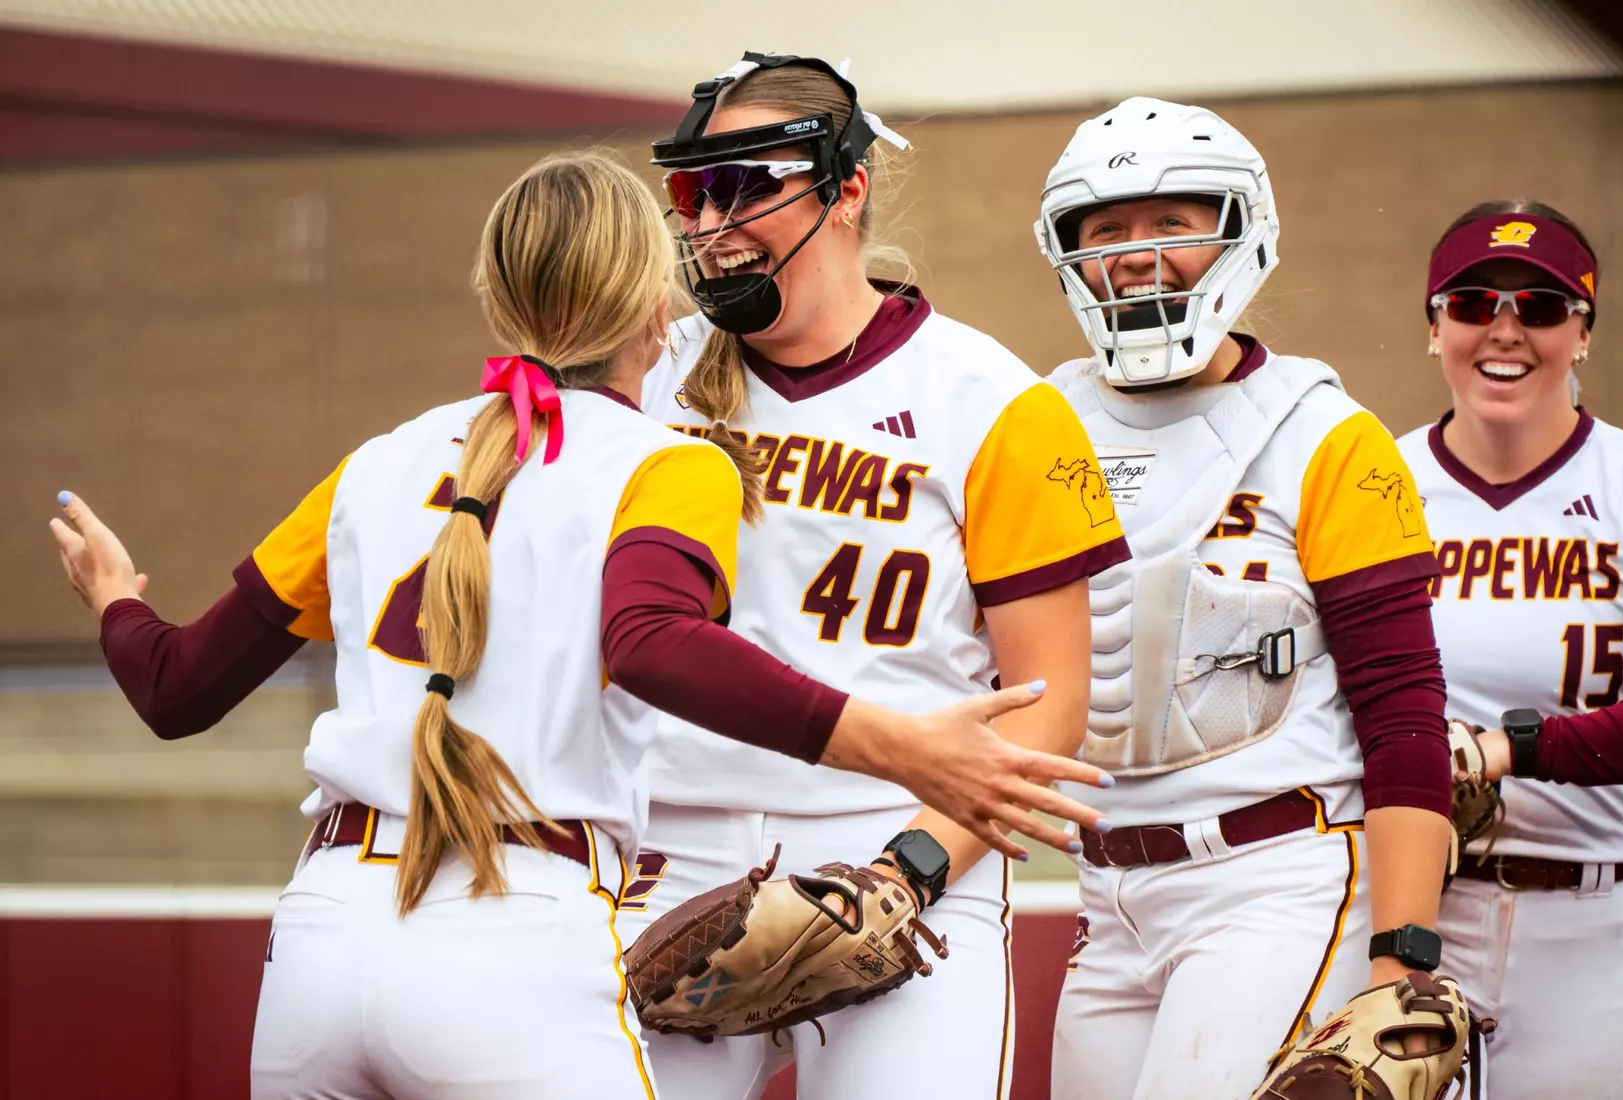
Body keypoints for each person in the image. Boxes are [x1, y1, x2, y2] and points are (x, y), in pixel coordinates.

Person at [47, 151, 1111, 1100]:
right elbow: (649, 637)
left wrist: (114, 597)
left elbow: (176, 685)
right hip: (519, 934)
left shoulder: (380, 460)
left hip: (320, 941)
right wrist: (905, 742)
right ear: (659, 301)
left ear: (490, 294)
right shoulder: (665, 459)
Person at [623, 53, 1128, 1100]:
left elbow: (1050, 701)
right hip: (662, 848)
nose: (717, 217)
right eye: (696, 189)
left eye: (752, 183)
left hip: (895, 857)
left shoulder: (994, 398)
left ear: (846, 186)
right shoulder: (645, 372)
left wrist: (908, 872)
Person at [1037, 98, 1455, 1099]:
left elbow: (1402, 705)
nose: (1138, 255)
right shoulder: (1036, 423)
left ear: (1239, 230)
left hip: (1276, 875)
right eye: (1107, 231)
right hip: (1110, 892)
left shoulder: (1323, 433)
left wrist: (1402, 957)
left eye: (1172, 222)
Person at [1396, 199, 1623, 1099]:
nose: (1505, 331)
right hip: (1413, 908)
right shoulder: (1376, 486)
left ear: (1583, 334)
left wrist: (1513, 749)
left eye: (1540, 309)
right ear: (1435, 327)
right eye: (1471, 303)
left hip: (1598, 911)